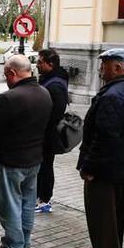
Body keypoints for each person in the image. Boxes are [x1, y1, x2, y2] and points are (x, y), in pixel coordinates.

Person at [0, 55, 52, 248]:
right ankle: (24, 242)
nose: (5, 79)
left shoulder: (9, 98)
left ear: (12, 73)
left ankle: (13, 246)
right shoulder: (44, 93)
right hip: (34, 159)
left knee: (8, 204)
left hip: (10, 161)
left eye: (5, 74)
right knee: (26, 203)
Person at [75, 48, 124, 248]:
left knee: (102, 215)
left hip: (107, 169)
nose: (101, 70)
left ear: (117, 67)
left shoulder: (114, 95)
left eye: (104, 65)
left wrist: (90, 166)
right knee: (116, 215)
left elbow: (105, 136)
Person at [35, 48, 69, 213]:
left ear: (51, 64)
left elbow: (56, 112)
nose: (37, 65)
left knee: (45, 166)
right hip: (44, 133)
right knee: (42, 166)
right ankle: (39, 197)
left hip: (47, 135)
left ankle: (44, 200)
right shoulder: (50, 79)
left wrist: (41, 126)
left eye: (40, 62)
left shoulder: (55, 85)